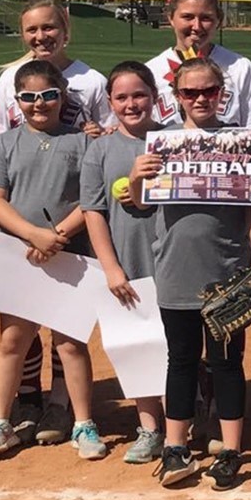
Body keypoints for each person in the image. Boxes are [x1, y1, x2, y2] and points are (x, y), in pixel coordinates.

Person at [127, 58, 251, 491]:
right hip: (174, 271)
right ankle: (175, 446)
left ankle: (230, 450)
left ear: (221, 93)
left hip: (226, 273)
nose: (201, 99)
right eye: (190, 93)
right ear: (176, 97)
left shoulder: (242, 143)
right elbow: (141, 204)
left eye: (209, 91)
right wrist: (136, 176)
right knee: (181, 360)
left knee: (227, 363)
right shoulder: (161, 144)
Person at [0, 60, 98, 459]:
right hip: (20, 254)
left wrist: (58, 235)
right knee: (13, 341)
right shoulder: (4, 143)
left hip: (70, 254)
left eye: (47, 95)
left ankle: (83, 423)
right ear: (17, 101)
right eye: (28, 97)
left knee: (70, 343)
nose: (38, 104)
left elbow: (91, 200)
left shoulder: (82, 141)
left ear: (62, 96)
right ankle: (0, 422)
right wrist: (33, 235)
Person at [80, 62, 167, 465]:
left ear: (155, 97)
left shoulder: (175, 139)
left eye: (139, 95)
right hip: (128, 258)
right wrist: (111, 268)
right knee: (135, 344)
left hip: (174, 258)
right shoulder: (100, 149)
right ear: (110, 103)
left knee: (179, 344)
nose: (131, 104)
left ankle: (187, 418)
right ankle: (149, 426)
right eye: (121, 97)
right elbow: (93, 211)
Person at [145, 0, 251, 130]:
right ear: (171, 18)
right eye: (187, 17)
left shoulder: (240, 67)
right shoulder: (150, 72)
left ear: (218, 21)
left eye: (206, 18)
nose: (197, 26)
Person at [0, 0, 111, 137]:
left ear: (65, 30)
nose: (40, 36)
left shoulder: (93, 81)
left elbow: (111, 135)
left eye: (48, 28)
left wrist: (99, 135)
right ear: (23, 35)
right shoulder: (9, 78)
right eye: (32, 30)